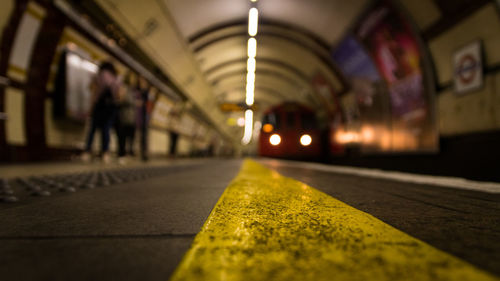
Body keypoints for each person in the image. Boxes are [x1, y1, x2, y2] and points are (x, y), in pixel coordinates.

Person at [81, 61, 119, 163]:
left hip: (99, 106)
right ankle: (105, 153)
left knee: (92, 129)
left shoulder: (99, 75)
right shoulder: (115, 78)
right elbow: (118, 96)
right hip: (110, 108)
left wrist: (91, 108)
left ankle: (87, 152)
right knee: (106, 130)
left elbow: (94, 92)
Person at [116, 73, 137, 164]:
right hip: (124, 116)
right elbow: (120, 99)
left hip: (131, 117)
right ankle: (121, 154)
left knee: (131, 137)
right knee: (122, 136)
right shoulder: (123, 87)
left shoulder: (132, 91)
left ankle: (128, 154)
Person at [136, 76, 152, 161]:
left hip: (145, 117)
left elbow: (148, 106)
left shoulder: (147, 93)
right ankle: (140, 153)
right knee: (140, 136)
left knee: (144, 137)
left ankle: (145, 153)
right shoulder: (138, 91)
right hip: (138, 117)